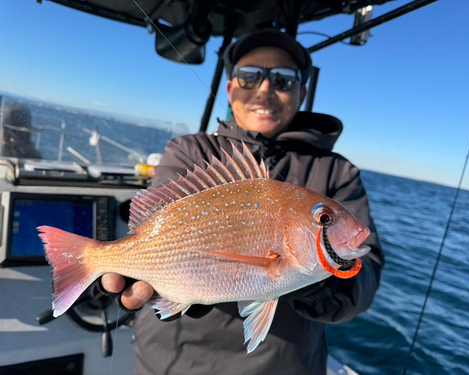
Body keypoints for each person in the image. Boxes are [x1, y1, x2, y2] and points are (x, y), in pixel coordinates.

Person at [101, 29, 384, 374]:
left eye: (283, 79)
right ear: (231, 88)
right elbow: (153, 225)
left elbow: (365, 281)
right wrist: (143, 263)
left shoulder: (337, 172)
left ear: (301, 92)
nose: (265, 90)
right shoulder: (190, 151)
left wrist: (312, 277)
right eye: (250, 77)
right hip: (171, 362)